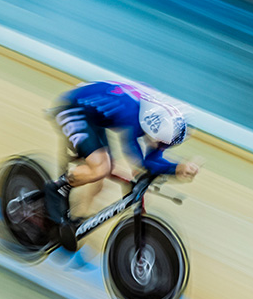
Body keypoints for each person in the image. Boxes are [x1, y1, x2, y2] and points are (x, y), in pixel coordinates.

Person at [50, 80, 201, 244]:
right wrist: (177, 168)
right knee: (100, 168)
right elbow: (143, 163)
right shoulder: (133, 119)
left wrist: (174, 168)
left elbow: (151, 158)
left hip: (92, 114)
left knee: (103, 173)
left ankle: (75, 222)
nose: (161, 147)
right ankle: (56, 188)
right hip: (73, 109)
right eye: (161, 143)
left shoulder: (155, 116)